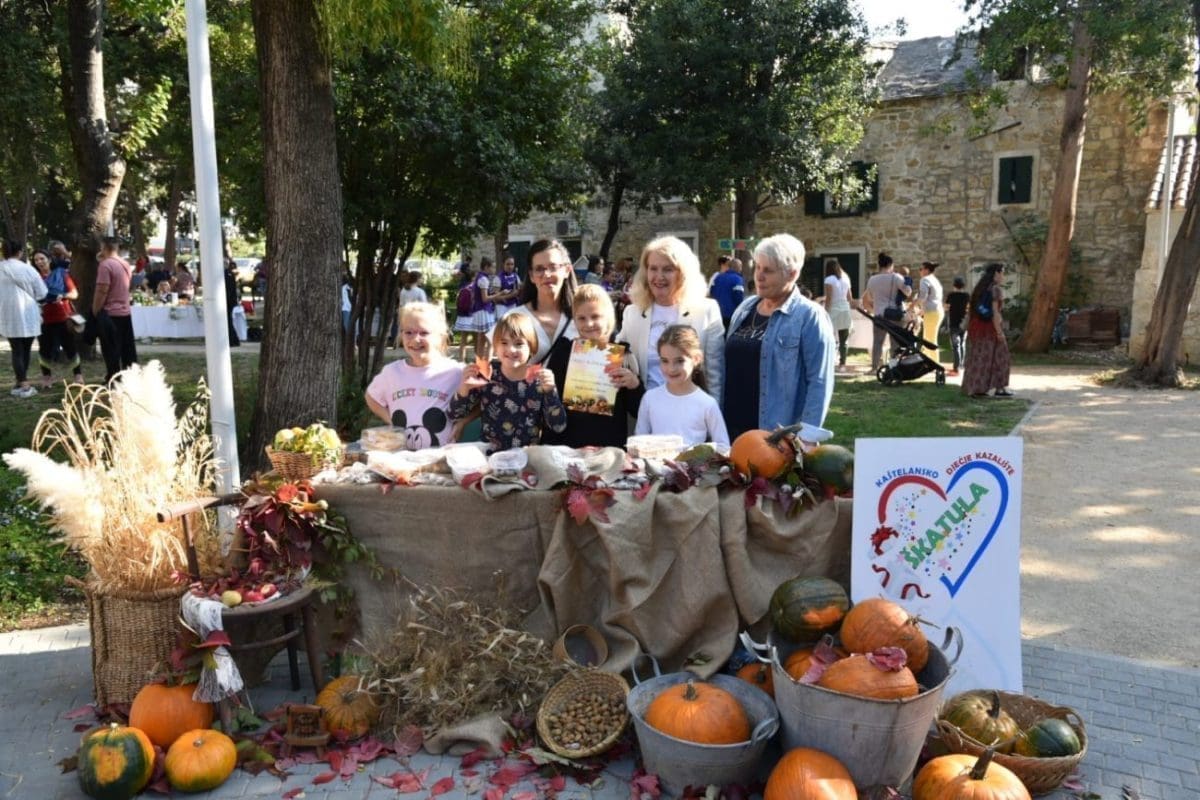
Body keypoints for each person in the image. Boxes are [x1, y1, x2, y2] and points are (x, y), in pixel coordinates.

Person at [723, 234, 837, 439]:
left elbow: (819, 381)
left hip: (776, 436)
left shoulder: (809, 316)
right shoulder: (744, 309)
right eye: (757, 267)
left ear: (792, 274)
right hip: (730, 429)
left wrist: (807, 437)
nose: (759, 276)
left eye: (768, 270)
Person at [617, 236, 724, 400]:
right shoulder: (632, 313)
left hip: (691, 410)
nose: (659, 276)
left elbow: (714, 376)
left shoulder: (707, 311)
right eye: (653, 269)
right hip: (645, 409)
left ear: (683, 273)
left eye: (668, 269)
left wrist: (713, 412)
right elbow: (617, 356)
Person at [449, 311, 567, 452]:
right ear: (495, 347)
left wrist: (551, 391)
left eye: (519, 344)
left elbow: (558, 426)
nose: (511, 349)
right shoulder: (486, 375)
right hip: (490, 457)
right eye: (504, 342)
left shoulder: (539, 380)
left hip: (525, 458)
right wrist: (464, 388)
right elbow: (454, 415)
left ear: (532, 347)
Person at [543, 284, 643, 448]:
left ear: (608, 317)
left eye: (595, 316)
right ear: (574, 320)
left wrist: (634, 385)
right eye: (581, 318)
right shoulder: (564, 352)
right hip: (568, 447)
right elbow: (551, 404)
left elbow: (638, 410)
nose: (589, 324)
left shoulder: (623, 355)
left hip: (608, 449)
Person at [367, 302, 464, 448]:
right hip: (402, 456)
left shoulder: (455, 371)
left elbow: (484, 399)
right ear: (401, 334)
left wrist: (463, 422)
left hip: (441, 457)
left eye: (424, 333)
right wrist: (391, 420)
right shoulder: (392, 372)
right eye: (408, 332)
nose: (415, 339)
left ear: (440, 336)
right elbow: (371, 397)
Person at [635, 324, 729, 447]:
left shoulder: (707, 403)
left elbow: (723, 447)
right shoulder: (650, 398)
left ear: (696, 359)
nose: (671, 368)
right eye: (665, 361)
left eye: (679, 361)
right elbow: (638, 442)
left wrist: (698, 453)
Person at [496, 238, 579, 364]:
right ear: (531, 276)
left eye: (553, 267)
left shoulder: (584, 318)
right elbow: (498, 367)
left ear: (567, 271)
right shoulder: (513, 318)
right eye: (539, 269)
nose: (546, 274)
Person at [0, 240, 49, 398]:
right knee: (25, 349)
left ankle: (20, 382)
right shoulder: (28, 269)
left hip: (7, 313)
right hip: (29, 313)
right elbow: (42, 293)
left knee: (16, 349)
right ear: (20, 252)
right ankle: (24, 384)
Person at [961, 263, 1014, 398]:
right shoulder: (995, 290)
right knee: (1001, 357)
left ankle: (975, 387)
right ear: (996, 273)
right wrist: (999, 332)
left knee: (979, 357)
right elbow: (995, 313)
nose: (1003, 276)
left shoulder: (981, 288)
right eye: (1002, 272)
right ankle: (997, 387)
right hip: (989, 328)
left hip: (977, 327)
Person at [32, 248, 83, 386]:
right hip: (43, 318)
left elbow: (74, 294)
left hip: (63, 317)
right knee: (44, 349)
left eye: (42, 258)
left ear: (49, 259)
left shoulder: (61, 273)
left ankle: (78, 376)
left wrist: (63, 295)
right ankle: (47, 378)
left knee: (70, 347)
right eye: (36, 260)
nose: (39, 262)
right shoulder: (34, 278)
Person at [93, 237, 137, 383]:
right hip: (125, 311)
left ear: (104, 247)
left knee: (110, 349)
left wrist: (95, 309)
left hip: (110, 312)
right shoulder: (125, 264)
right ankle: (130, 378)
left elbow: (102, 290)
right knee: (127, 348)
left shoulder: (105, 266)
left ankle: (113, 379)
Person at [861, 252, 910, 371]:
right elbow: (907, 292)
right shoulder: (896, 277)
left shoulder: (872, 279)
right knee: (894, 343)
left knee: (877, 342)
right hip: (894, 314)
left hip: (879, 314)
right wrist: (908, 284)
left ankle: (874, 368)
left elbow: (870, 297)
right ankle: (893, 367)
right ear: (891, 265)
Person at [822, 258, 853, 369]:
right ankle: (842, 364)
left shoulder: (829, 279)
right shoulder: (846, 278)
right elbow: (850, 298)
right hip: (845, 308)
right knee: (844, 339)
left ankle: (829, 361)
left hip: (834, 309)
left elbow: (829, 298)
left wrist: (825, 311)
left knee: (829, 336)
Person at [916, 261, 944, 362]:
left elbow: (922, 297)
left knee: (930, 339)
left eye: (921, 269)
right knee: (928, 338)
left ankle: (934, 363)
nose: (919, 271)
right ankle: (927, 361)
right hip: (937, 311)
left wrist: (913, 306)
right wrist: (922, 309)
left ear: (926, 270)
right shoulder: (935, 280)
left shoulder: (925, 279)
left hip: (931, 312)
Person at [710, 257, 746, 330]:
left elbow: (712, 292)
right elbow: (738, 297)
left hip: (717, 314)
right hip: (730, 314)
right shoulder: (738, 279)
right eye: (740, 266)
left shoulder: (718, 277)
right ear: (739, 267)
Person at [944, 275, 970, 376]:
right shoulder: (967, 296)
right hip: (964, 323)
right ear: (963, 286)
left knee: (956, 346)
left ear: (954, 285)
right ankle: (961, 365)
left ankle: (956, 367)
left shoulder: (951, 295)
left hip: (954, 323)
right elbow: (969, 307)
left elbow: (946, 307)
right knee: (962, 344)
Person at [223, 259, 241, 347]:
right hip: (230, 301)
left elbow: (229, 290)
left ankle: (232, 340)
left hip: (228, 301)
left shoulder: (227, 275)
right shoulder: (229, 274)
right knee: (228, 320)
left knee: (228, 321)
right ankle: (233, 339)